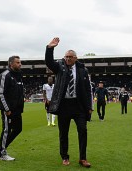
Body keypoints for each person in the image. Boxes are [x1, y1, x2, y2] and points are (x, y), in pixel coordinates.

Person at [45, 37, 93, 168]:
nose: (67, 59)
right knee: (63, 133)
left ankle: (83, 158)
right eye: (66, 56)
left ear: (75, 58)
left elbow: (88, 89)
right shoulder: (59, 67)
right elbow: (49, 62)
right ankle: (65, 157)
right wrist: (50, 48)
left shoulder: (83, 70)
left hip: (79, 105)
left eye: (70, 57)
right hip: (64, 105)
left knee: (83, 131)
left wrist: (90, 106)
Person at [0, 56, 24, 161]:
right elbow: (1, 94)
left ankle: (1, 147)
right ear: (11, 64)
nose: (20, 64)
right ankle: (2, 155)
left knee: (18, 129)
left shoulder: (19, 75)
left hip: (17, 109)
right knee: (6, 130)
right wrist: (7, 109)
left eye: (20, 62)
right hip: (8, 109)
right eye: (17, 62)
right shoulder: (5, 75)